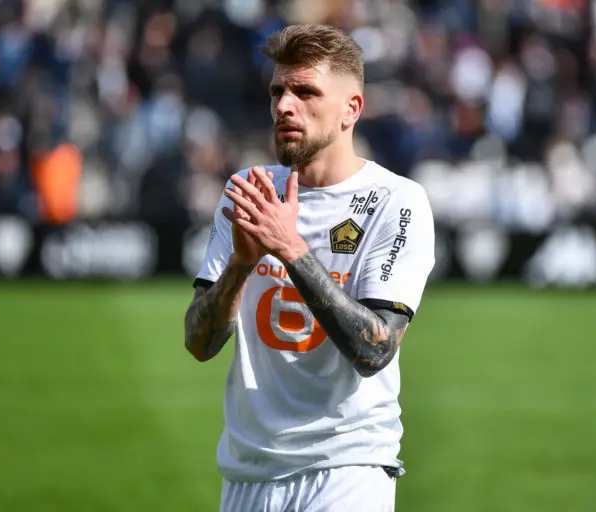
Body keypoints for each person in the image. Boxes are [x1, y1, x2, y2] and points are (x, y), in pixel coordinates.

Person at [184, 24, 435, 511]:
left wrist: (290, 248)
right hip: (247, 474)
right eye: (277, 91)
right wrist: (240, 265)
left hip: (347, 472)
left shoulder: (397, 201)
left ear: (351, 110)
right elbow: (199, 342)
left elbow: (375, 349)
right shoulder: (249, 192)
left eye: (305, 92)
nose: (284, 106)